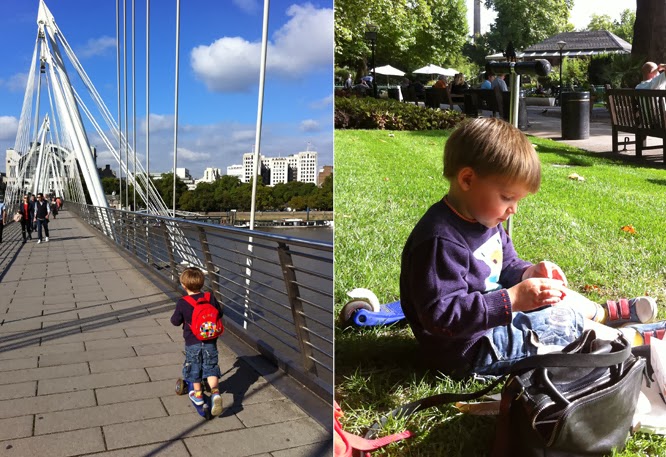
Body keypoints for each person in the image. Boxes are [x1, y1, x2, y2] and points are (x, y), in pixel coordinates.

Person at [400, 117, 663, 377]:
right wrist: (511, 299)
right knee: (559, 322)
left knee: (554, 294)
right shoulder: (440, 240)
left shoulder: (485, 218)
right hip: (468, 350)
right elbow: (442, 317)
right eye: (507, 197)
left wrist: (529, 273)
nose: (513, 209)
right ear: (467, 180)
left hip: (493, 326)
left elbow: (506, 265)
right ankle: (628, 342)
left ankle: (602, 315)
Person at [170, 267, 224, 416]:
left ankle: (198, 395)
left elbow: (175, 321)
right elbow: (219, 312)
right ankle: (215, 393)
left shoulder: (183, 302)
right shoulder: (210, 297)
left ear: (183, 285)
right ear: (202, 283)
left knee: (194, 366)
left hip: (192, 341)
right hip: (210, 340)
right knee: (211, 366)